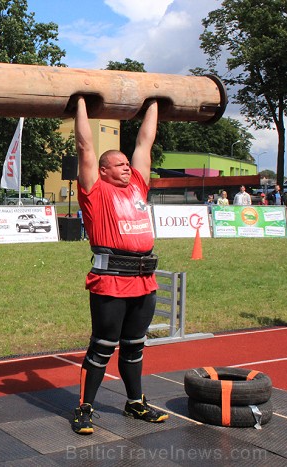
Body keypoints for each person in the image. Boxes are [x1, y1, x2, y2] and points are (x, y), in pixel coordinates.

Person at [70, 96, 168, 435]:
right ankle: (84, 408)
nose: (127, 166)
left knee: (134, 346)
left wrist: (154, 100)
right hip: (111, 280)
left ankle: (134, 402)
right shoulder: (94, 191)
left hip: (144, 280)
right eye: (119, 163)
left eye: (128, 163)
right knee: (102, 346)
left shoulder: (138, 185)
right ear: (103, 171)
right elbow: (85, 146)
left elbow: (145, 140)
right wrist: (80, 103)